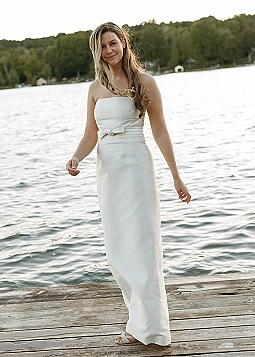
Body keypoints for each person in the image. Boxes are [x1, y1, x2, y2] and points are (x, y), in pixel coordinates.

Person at [66, 22, 191, 346]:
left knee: (143, 250)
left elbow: (160, 131)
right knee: (118, 251)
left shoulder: (144, 83)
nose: (109, 51)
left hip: (135, 166)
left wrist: (176, 176)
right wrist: (76, 159)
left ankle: (152, 330)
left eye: (113, 43)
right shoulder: (95, 88)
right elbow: (90, 134)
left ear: (123, 43)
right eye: (102, 47)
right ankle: (138, 324)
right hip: (108, 172)